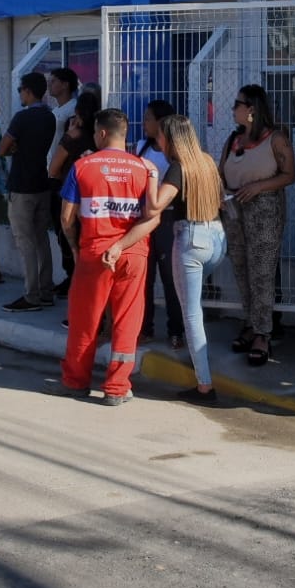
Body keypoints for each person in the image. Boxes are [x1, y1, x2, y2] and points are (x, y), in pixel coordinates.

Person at [51, 108, 160, 405]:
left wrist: (74, 247)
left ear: (101, 133)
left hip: (94, 253)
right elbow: (152, 215)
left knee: (85, 319)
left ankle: (76, 381)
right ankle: (116, 388)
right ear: (124, 134)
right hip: (134, 252)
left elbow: (66, 217)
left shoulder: (83, 166)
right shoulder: (143, 168)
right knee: (127, 320)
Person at [145, 114, 226, 404]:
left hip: (190, 240)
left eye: (160, 137)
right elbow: (219, 199)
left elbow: (155, 205)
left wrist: (151, 174)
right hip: (216, 238)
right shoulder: (206, 161)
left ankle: (204, 386)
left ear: (169, 139)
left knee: (192, 316)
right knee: (194, 308)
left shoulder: (178, 167)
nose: (157, 142)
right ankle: (199, 367)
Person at [218, 84, 295, 367]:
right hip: (234, 208)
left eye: (237, 103)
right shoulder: (233, 139)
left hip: (264, 209)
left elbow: (289, 175)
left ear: (251, 109)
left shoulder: (276, 138)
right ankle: (251, 323)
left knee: (262, 271)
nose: (232, 108)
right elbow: (220, 171)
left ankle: (263, 333)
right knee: (241, 268)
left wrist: (259, 186)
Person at [0, 71, 57, 312]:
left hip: (22, 185)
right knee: (41, 239)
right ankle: (45, 290)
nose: (19, 95)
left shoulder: (22, 118)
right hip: (42, 182)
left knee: (25, 242)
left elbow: (3, 148)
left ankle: (31, 295)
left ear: (27, 91)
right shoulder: (50, 117)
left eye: (20, 90)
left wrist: (14, 148)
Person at [134, 99, 185, 347]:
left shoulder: (177, 156)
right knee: (144, 277)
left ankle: (176, 330)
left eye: (148, 118)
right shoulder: (141, 147)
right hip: (144, 218)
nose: (144, 123)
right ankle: (145, 328)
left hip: (167, 219)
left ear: (161, 122)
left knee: (170, 278)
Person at [46, 67, 81, 289]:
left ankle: (74, 276)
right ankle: (69, 274)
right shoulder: (55, 109)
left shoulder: (72, 110)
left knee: (68, 226)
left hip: (64, 175)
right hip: (52, 171)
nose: (50, 85)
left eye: (54, 81)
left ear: (66, 84)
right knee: (59, 228)